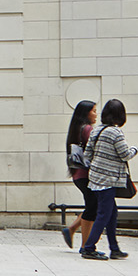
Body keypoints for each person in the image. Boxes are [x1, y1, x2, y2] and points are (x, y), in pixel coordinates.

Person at [81, 98, 137, 260]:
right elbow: (125, 154)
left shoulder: (97, 130)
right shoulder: (115, 132)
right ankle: (89, 247)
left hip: (96, 179)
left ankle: (114, 248)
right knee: (104, 214)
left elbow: (87, 155)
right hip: (109, 180)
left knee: (111, 214)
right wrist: (135, 149)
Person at [61, 99, 98, 250]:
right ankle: (85, 245)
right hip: (87, 174)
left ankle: (71, 229)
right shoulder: (88, 129)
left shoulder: (76, 128)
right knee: (92, 208)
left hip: (78, 174)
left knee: (92, 205)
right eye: (94, 111)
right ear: (86, 113)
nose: (96, 114)